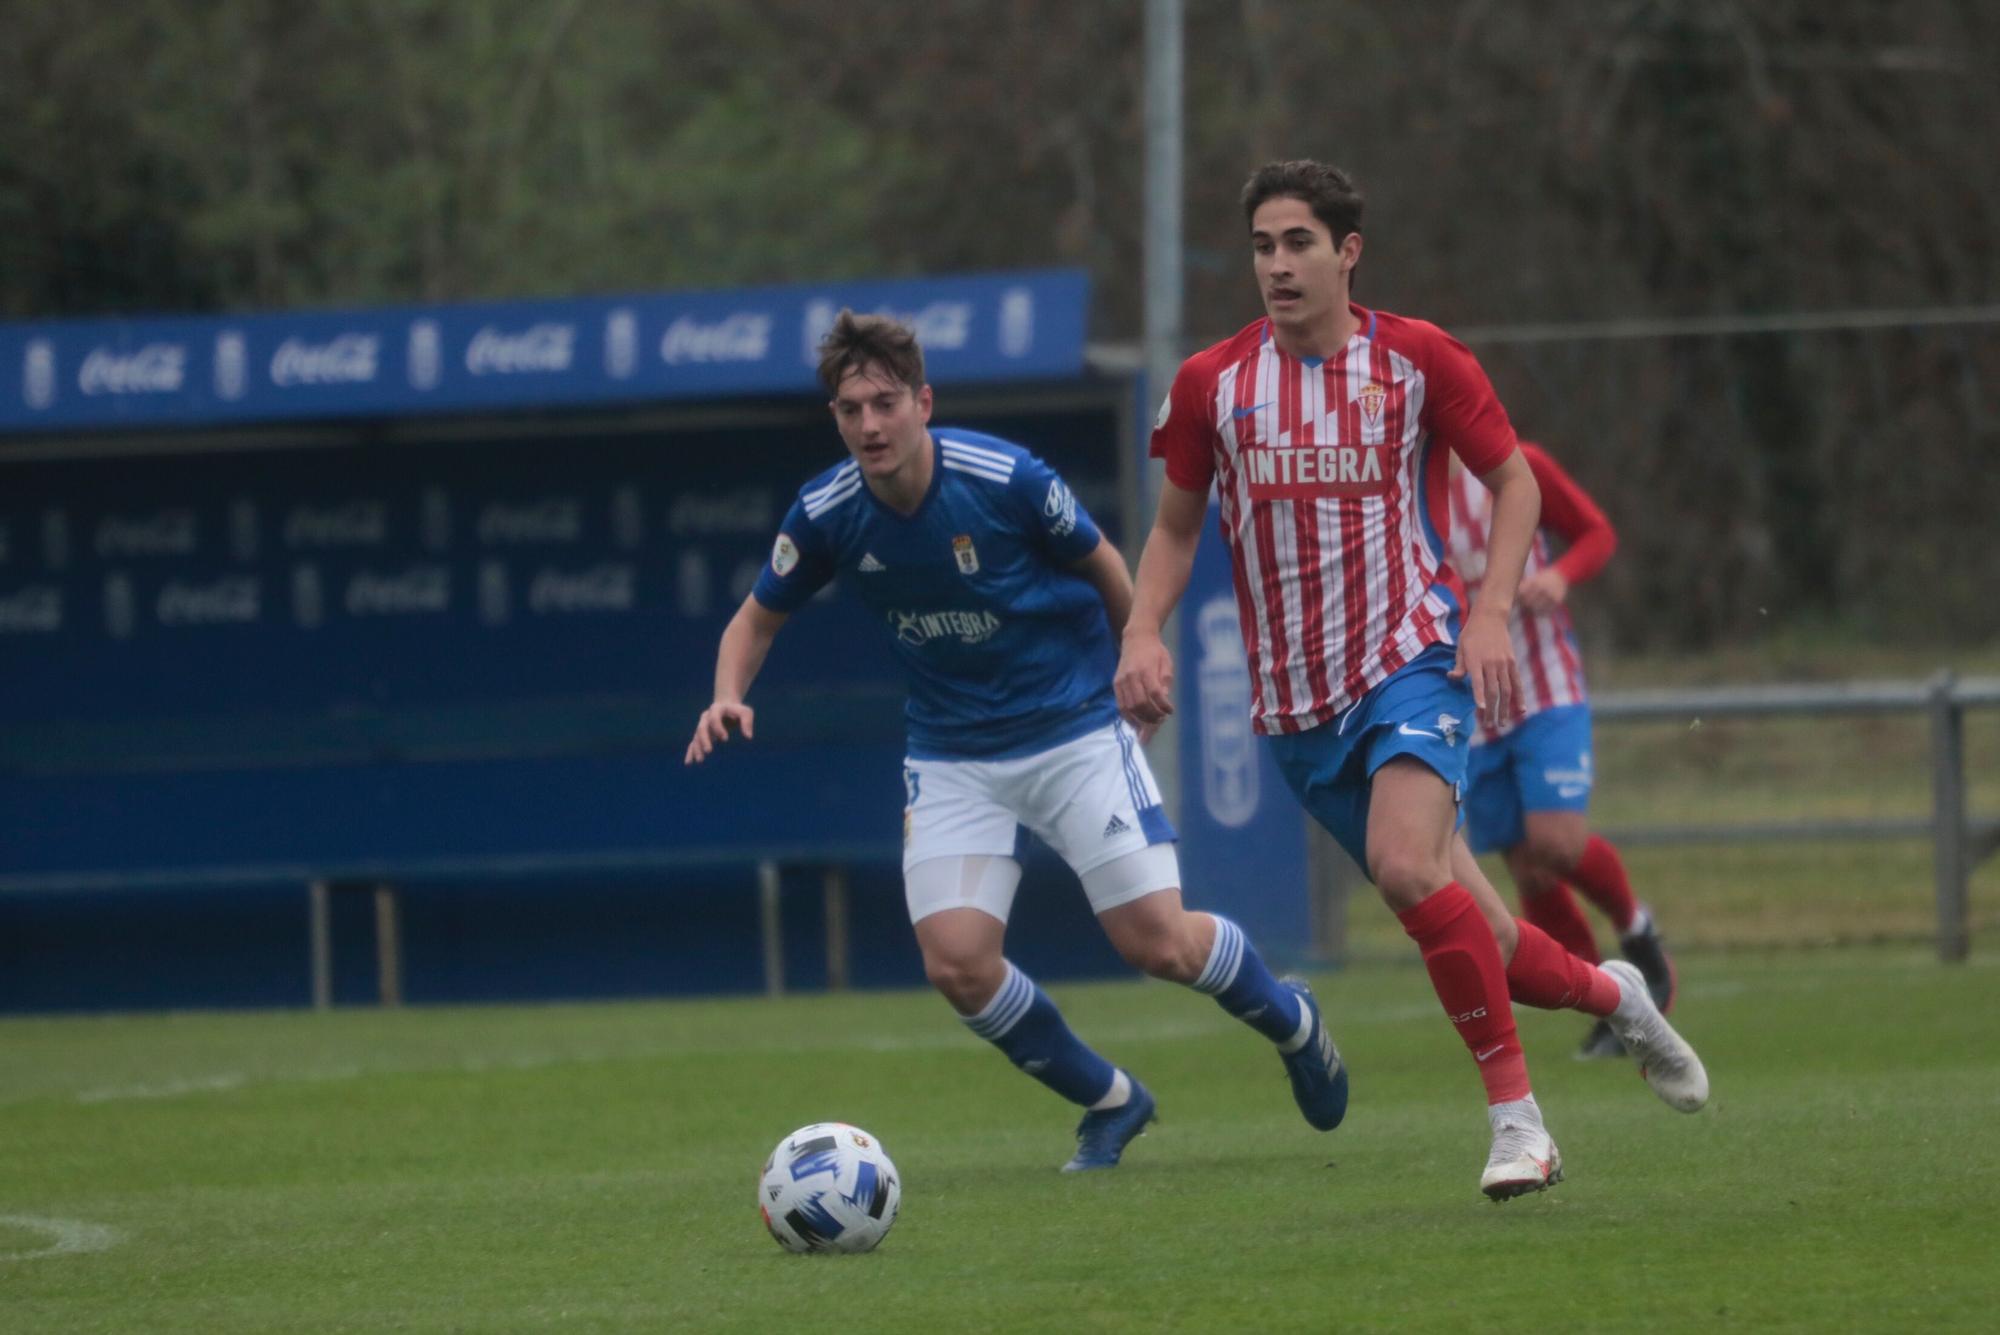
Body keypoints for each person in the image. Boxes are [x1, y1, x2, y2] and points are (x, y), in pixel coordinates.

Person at [1116, 159, 1707, 1201]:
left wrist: (1484, 614)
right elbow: (1172, 531)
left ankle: (1517, 1125)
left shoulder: (1418, 360)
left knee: (1401, 866)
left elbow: (1514, 483)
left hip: (1412, 658)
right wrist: (1140, 633)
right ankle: (1615, 996)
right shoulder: (1214, 384)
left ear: (1347, 253)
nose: (1277, 265)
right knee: (1489, 936)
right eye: (1261, 245)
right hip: (1297, 706)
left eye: (1298, 242)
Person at [685, 310, 1347, 1172]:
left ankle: (1291, 1019)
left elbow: (1106, 563)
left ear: (924, 401)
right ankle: (1112, 1101)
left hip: (1072, 729)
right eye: (850, 410)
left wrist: (1137, 653)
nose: (869, 426)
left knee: (1158, 943)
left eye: (885, 403)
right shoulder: (828, 510)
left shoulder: (1004, 479)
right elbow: (753, 619)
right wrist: (726, 695)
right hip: (953, 756)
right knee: (957, 963)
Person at [1444, 443, 1678, 1059]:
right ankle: (1612, 1001)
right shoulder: (1397, 486)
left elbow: (1596, 533)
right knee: (1529, 869)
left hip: (1544, 688)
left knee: (1556, 841)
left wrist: (1559, 574)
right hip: (1470, 706)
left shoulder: (1514, 464)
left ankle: (1639, 935)